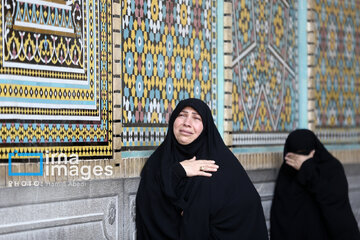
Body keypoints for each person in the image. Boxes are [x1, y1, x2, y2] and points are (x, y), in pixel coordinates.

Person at [136, 98, 268, 239]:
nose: (187, 123)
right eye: (182, 115)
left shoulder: (219, 163)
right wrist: (178, 171)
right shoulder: (159, 160)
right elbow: (149, 202)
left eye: (196, 118)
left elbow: (248, 210)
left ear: (206, 127)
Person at [270, 129, 360, 240]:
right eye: (295, 155)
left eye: (304, 153)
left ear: (314, 151)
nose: (299, 160)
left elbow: (335, 206)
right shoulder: (286, 174)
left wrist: (308, 169)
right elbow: (280, 221)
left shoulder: (331, 169)